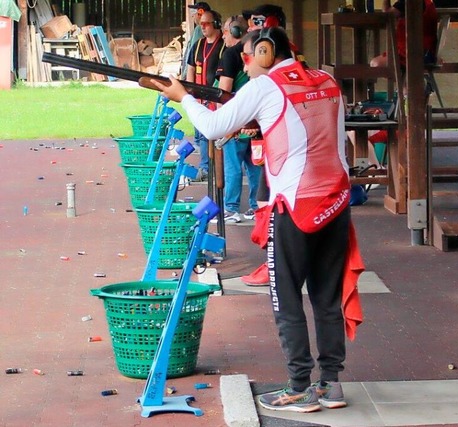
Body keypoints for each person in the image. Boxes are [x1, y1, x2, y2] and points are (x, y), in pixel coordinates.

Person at [151, 26, 363, 413]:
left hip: (293, 205)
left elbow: (213, 128)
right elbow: (317, 132)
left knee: (286, 299)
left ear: (265, 51)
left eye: (248, 56)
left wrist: (183, 97)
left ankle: (299, 387)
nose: (245, 65)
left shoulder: (266, 87)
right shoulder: (328, 80)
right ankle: (331, 384)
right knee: (327, 298)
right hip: (335, 201)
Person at [239, 3, 303, 286]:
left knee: (271, 204)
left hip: (285, 152)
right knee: (265, 202)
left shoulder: (283, 68)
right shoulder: (287, 63)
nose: (253, 30)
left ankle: (275, 264)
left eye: (258, 25)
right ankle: (274, 261)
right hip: (272, 145)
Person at [214, 15, 261, 223]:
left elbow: (223, 92)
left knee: (233, 166)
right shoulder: (258, 54)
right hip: (257, 119)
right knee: (254, 165)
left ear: (234, 33)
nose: (223, 35)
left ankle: (231, 208)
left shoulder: (231, 55)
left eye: (225, 31)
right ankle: (256, 206)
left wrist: (222, 121)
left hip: (237, 120)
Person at [185, 9, 225, 181]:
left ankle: (218, 169)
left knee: (219, 136)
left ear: (215, 24)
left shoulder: (224, 46)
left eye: (206, 23)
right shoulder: (198, 45)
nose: (202, 27)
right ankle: (205, 167)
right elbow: (191, 68)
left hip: (216, 98)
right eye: (201, 23)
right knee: (201, 135)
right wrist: (190, 92)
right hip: (199, 97)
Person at [370, 0, 438, 69]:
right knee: (375, 62)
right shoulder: (428, 2)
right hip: (425, 52)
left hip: (414, 54)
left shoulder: (408, 2)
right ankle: (400, 79)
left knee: (376, 63)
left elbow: (387, 15)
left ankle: (401, 78)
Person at [181, 2, 211, 80]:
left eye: (194, 12)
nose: (192, 15)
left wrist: (185, 75)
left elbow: (193, 52)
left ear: (201, 13)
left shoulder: (199, 29)